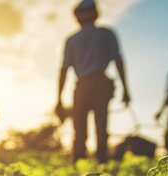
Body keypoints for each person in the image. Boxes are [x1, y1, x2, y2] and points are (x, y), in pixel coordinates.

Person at [56, 0, 131, 163]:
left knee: (81, 128)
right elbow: (118, 60)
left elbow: (63, 70)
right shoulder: (105, 33)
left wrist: (59, 99)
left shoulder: (73, 39)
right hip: (97, 84)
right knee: (99, 126)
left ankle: (81, 161)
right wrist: (126, 89)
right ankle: (99, 161)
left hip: (84, 85)